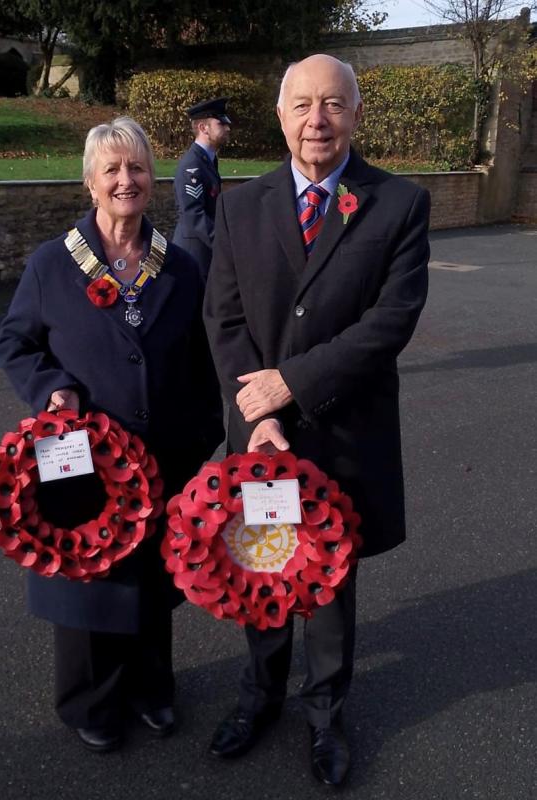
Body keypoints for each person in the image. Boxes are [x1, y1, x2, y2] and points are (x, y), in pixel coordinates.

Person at [203, 55, 430, 787]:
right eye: (301, 105)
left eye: (333, 104)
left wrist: (290, 386)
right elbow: (224, 316)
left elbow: (389, 321)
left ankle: (327, 712)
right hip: (258, 436)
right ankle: (261, 693)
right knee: (260, 570)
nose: (317, 120)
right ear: (280, 117)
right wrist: (258, 414)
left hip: (340, 431)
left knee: (329, 583)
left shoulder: (397, 204)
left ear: (356, 115)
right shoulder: (240, 206)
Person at [0, 116, 224, 754]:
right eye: (113, 170)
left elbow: (203, 355)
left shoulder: (179, 266)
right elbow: (14, 343)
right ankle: (90, 701)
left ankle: (153, 689)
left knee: (155, 577)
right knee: (89, 577)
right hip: (86, 465)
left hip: (166, 456)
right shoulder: (51, 265)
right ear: (90, 183)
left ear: (153, 178)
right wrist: (52, 389)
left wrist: (204, 429)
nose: (127, 180)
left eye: (138, 168)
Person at [172, 97, 231, 279]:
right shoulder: (193, 166)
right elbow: (193, 215)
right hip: (195, 254)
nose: (228, 128)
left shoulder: (207, 160)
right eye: (221, 124)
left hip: (204, 252)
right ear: (203, 128)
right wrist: (223, 242)